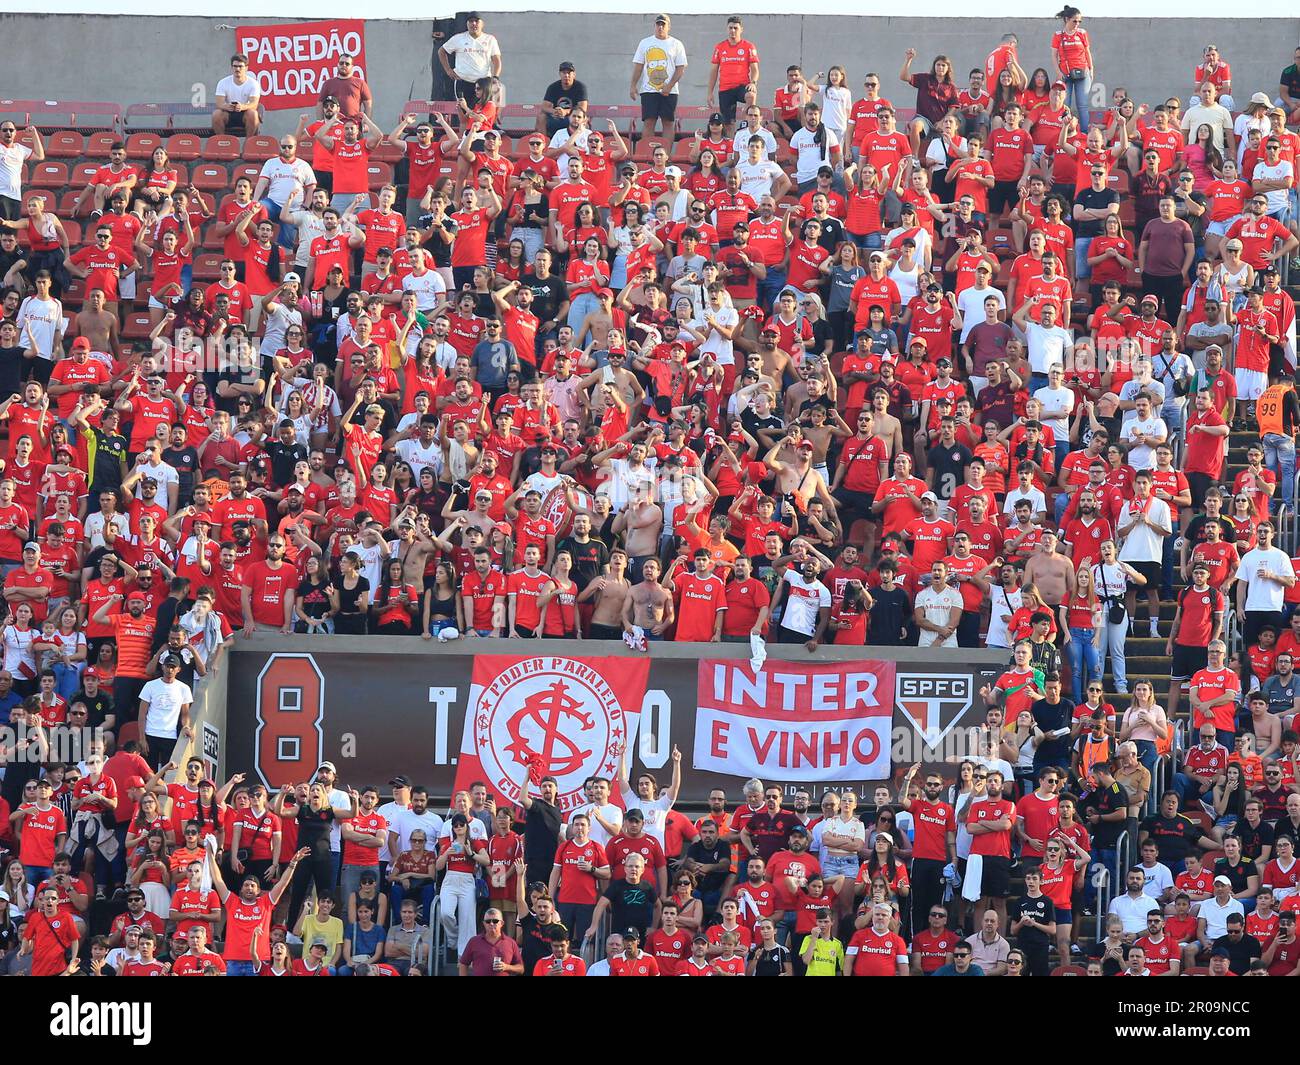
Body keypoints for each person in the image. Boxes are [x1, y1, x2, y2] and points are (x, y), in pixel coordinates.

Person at [213, 54, 261, 137]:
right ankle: (222, 143)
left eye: (240, 66)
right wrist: (227, 106)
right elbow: (219, 104)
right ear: (231, 67)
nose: (237, 69)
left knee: (253, 114)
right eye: (235, 66)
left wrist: (242, 107)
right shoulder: (223, 82)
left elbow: (254, 104)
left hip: (245, 114)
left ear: (246, 68)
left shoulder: (253, 84)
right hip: (228, 114)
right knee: (216, 114)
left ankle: (248, 144)